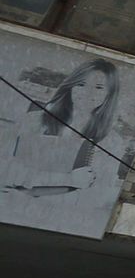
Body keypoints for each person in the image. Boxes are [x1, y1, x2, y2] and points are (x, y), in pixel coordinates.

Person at [0, 58, 120, 198]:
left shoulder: (112, 141)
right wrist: (68, 180)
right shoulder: (33, 121)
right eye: (81, 84)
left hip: (65, 213)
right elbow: (6, 170)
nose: (88, 93)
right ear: (70, 87)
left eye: (99, 87)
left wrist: (31, 184)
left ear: (109, 94)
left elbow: (98, 194)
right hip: (13, 202)